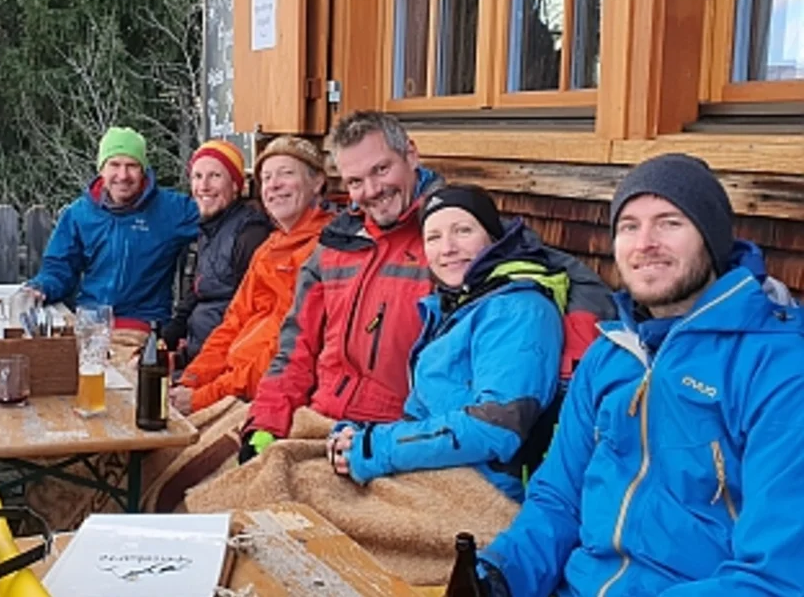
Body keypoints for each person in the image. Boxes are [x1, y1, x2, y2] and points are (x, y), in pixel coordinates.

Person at [473, 154, 804, 596]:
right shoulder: (610, 355)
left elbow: (777, 577)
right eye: (629, 226)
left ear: (712, 239)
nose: (645, 242)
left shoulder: (778, 367)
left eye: (669, 222)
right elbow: (558, 500)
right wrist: (500, 574)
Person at [329, 185, 565, 502]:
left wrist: (376, 446)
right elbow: (430, 412)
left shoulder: (518, 310)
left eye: (463, 230)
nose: (448, 248)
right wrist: (358, 434)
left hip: (487, 492)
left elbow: (495, 429)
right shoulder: (457, 305)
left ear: (494, 238)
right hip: (440, 473)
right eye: (434, 237)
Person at [240, 110, 442, 460]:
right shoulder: (337, 243)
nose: (372, 191)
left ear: (411, 154)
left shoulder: (449, 234)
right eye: (355, 182)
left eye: (381, 170)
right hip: (320, 419)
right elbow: (296, 346)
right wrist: (266, 423)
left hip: (394, 436)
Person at [169, 136, 331, 415]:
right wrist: (192, 379)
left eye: (286, 173)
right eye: (267, 177)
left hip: (265, 395)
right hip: (231, 381)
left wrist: (205, 396)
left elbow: (284, 352)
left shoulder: (324, 251)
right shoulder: (269, 248)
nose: (274, 185)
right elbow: (233, 322)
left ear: (316, 182)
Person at [25, 127, 198, 332]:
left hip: (145, 327)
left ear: (143, 170)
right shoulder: (79, 214)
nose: (123, 175)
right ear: (101, 170)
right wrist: (40, 288)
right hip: (90, 325)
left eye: (132, 165)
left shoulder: (172, 210)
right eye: (114, 165)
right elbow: (59, 268)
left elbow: (215, 213)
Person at [161, 140, 271, 367]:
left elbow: (250, 317)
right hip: (197, 353)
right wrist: (167, 338)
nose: (204, 186)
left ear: (235, 185)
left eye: (215, 176)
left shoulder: (250, 235)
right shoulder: (211, 228)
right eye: (198, 177)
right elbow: (199, 289)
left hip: (225, 364)